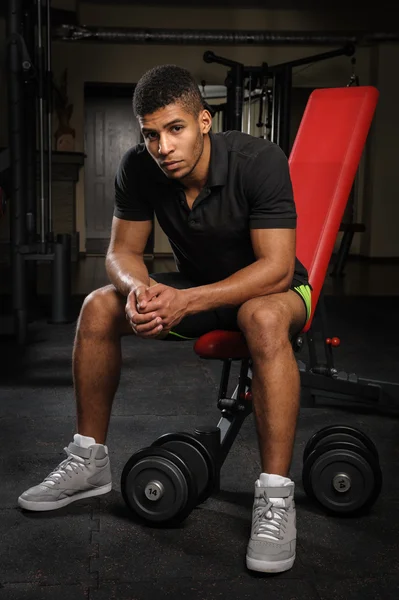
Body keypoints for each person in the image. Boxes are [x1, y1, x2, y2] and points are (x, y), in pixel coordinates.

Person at [18, 64, 312, 574]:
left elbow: (276, 268)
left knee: (261, 316)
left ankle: (275, 499)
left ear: (203, 120)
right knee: (98, 305)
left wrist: (187, 300)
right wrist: (140, 290)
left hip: (276, 292)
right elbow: (121, 253)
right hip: (200, 291)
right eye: (150, 134)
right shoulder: (139, 167)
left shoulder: (258, 160)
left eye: (174, 129)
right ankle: (89, 462)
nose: (163, 146)